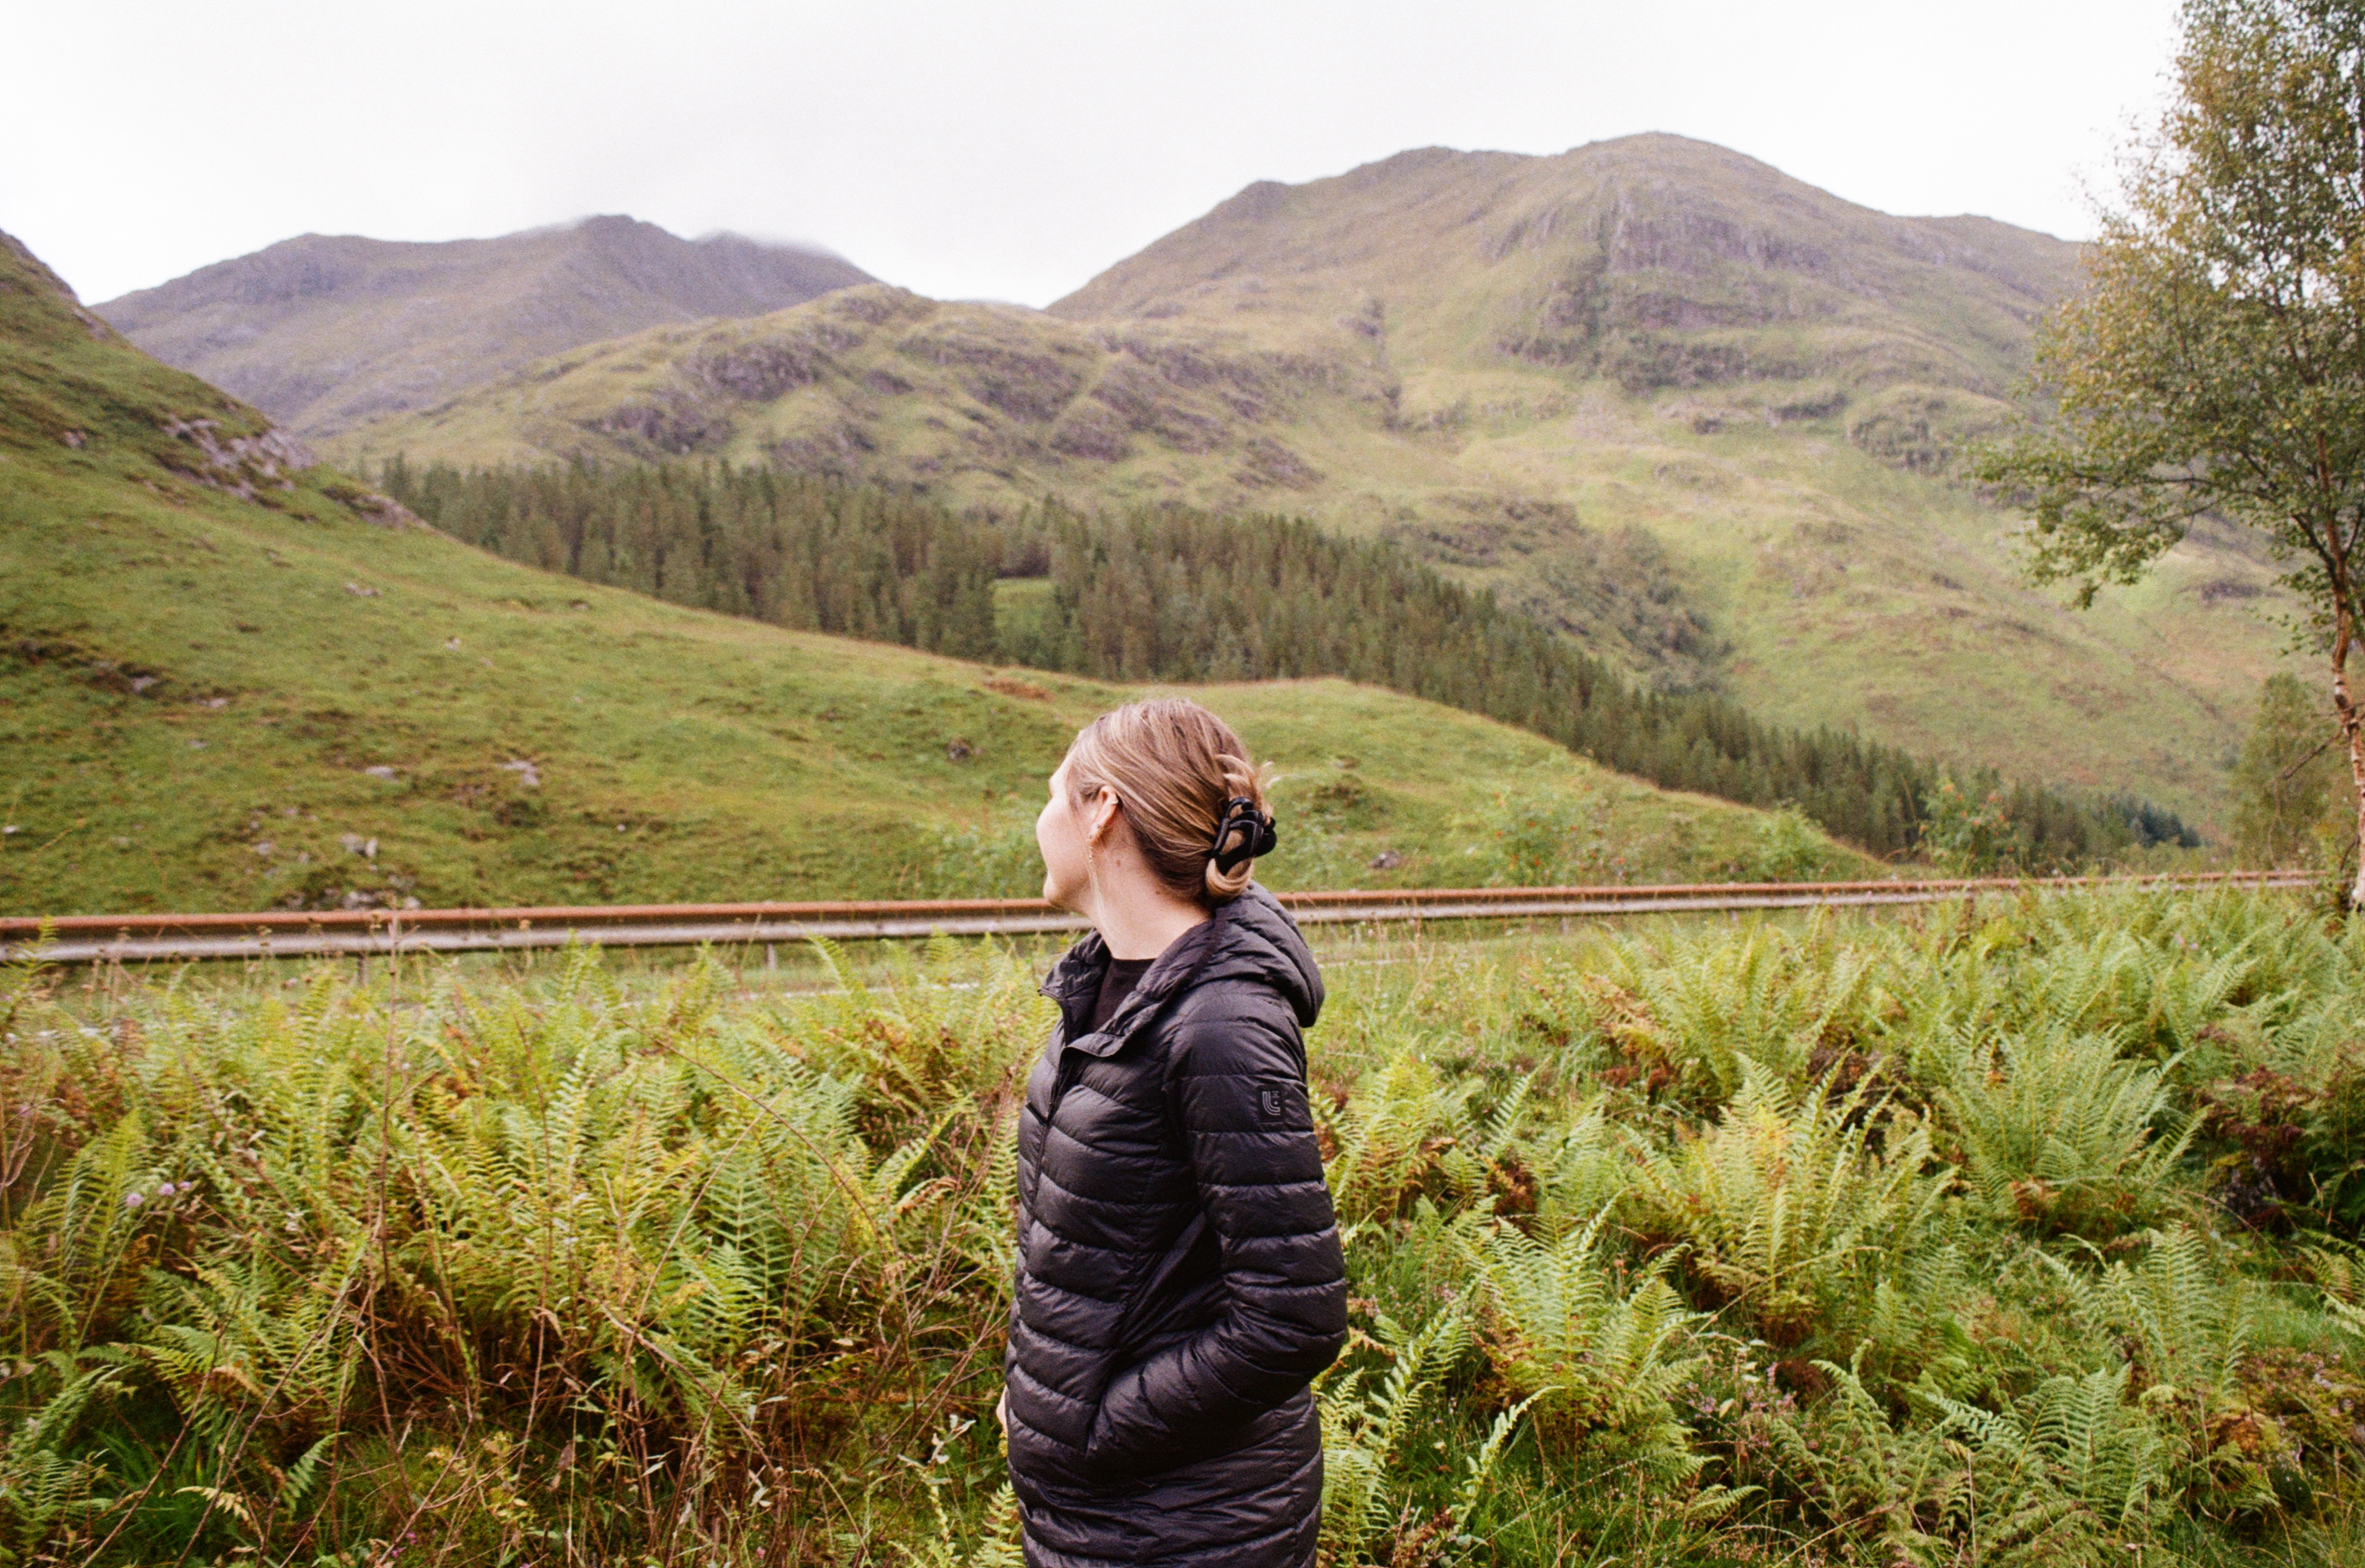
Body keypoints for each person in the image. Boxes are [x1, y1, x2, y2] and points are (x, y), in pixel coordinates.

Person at [997, 697, 1348, 1567]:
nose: (1040, 822)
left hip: (1192, 1525)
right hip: (1110, 1515)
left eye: (1053, 796)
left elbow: (1293, 1315)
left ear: (1101, 809)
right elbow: (1096, 1256)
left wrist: (1089, 1425)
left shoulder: (1220, 1020)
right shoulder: (1108, 990)